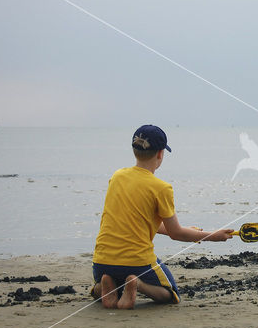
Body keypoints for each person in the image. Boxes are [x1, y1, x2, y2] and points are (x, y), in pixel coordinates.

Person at [91, 125, 233, 309]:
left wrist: (188, 231)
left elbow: (142, 221)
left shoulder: (117, 177)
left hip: (102, 260)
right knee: (171, 294)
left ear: (134, 150)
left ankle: (103, 287)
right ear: (160, 154)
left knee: (109, 280)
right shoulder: (161, 188)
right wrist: (213, 236)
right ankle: (137, 284)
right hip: (136, 262)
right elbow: (176, 233)